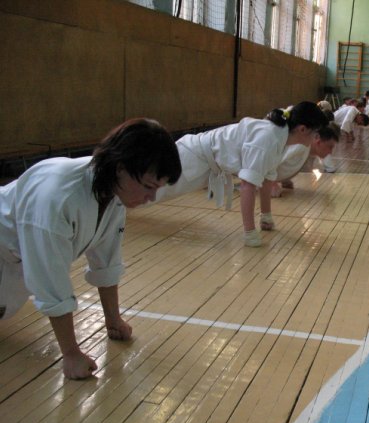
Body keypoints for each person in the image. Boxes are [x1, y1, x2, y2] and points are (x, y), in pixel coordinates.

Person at [0, 118, 182, 379]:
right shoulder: (57, 196)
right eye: (148, 186)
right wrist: (71, 353)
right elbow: (50, 278)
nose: (151, 198)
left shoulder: (112, 191)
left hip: (12, 260)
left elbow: (106, 259)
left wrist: (113, 320)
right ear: (121, 168)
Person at [154, 101, 328, 247]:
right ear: (303, 129)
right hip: (192, 157)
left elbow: (267, 180)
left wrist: (266, 216)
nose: (316, 138)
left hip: (205, 163)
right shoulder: (268, 138)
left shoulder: (280, 137)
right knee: (148, 190)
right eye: (315, 133)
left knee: (148, 192)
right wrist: (250, 232)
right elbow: (248, 186)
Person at [271, 123, 341, 198]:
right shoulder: (301, 146)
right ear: (318, 139)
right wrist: (271, 183)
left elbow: (283, 161)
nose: (330, 152)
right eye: (330, 147)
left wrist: (284, 179)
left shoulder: (306, 149)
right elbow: (268, 159)